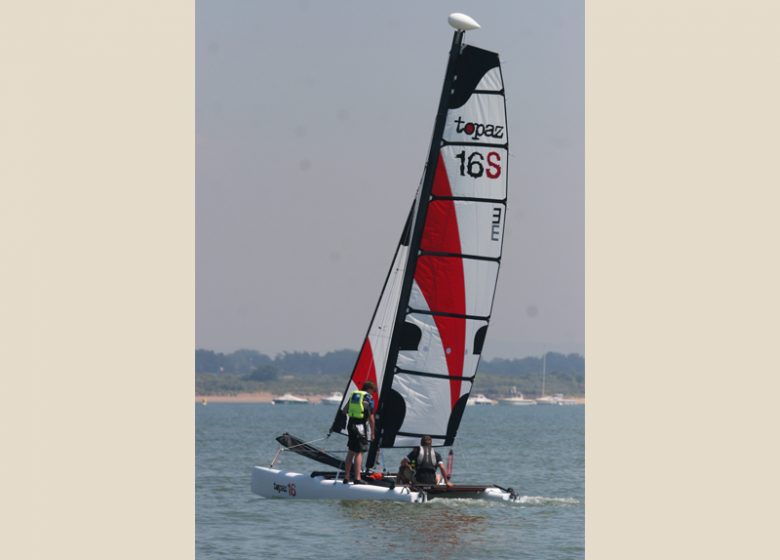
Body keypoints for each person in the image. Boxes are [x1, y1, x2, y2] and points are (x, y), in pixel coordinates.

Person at [341, 381, 376, 484]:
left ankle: (346, 477)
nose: (373, 393)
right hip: (360, 426)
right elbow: (371, 417)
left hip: (351, 424)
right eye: (373, 391)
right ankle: (357, 478)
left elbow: (344, 411)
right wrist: (373, 432)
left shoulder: (354, 396)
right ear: (369, 389)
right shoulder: (367, 398)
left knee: (351, 451)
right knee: (359, 452)